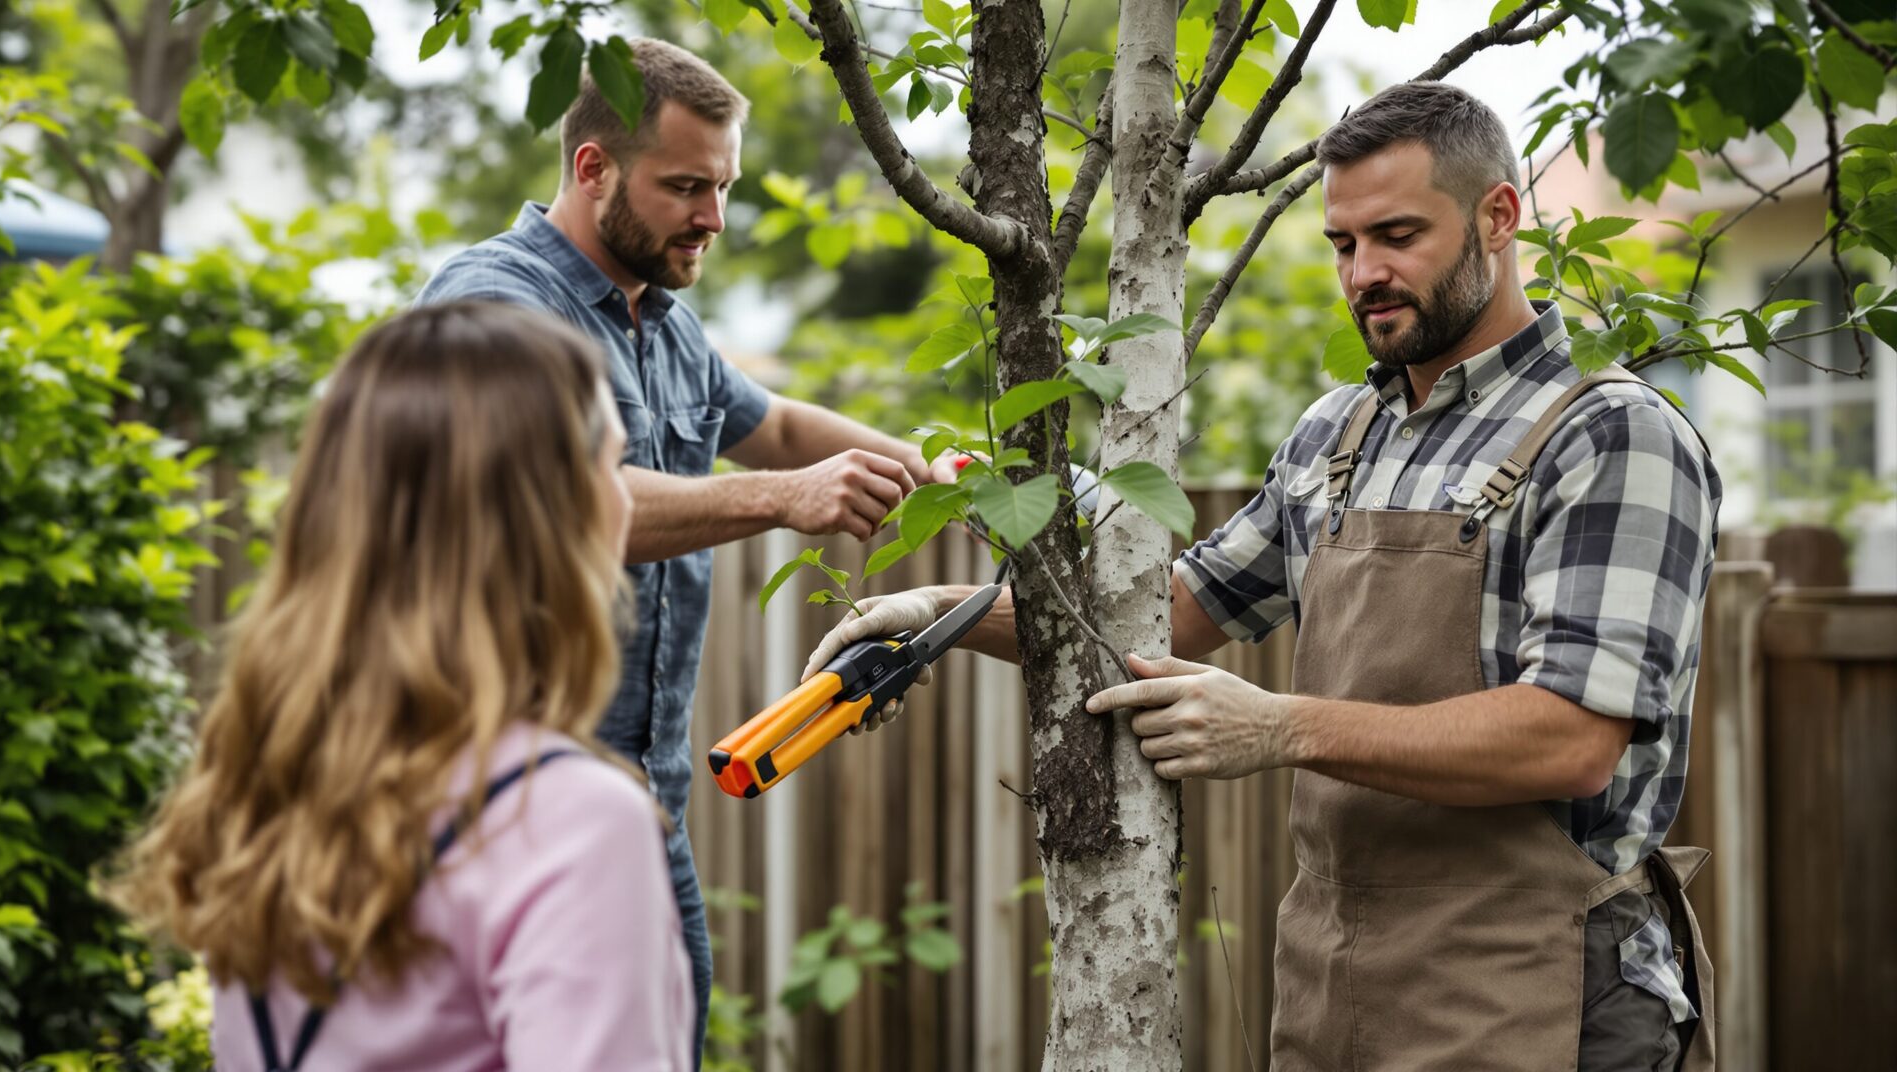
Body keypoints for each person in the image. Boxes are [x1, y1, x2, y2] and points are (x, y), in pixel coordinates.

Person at [805, 82, 1721, 1071]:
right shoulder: (1338, 433)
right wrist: (932, 615)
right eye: (1342, 243)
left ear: (1497, 218)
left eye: (1398, 235)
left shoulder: (1611, 435)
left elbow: (1572, 737)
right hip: (1338, 980)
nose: (1364, 271)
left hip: (1544, 987)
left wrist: (1281, 724)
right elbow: (1170, 615)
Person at [413, 39, 948, 1052]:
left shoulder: (664, 321)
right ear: (593, 169)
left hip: (643, 815)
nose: (714, 217)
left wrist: (945, 473)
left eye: (725, 187)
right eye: (688, 187)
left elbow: (779, 425)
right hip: (496, 822)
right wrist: (790, 499)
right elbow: (563, 502)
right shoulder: (494, 306)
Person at [113, 303, 691, 1070]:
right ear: (550, 515)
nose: (625, 498)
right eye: (611, 465)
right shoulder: (567, 821)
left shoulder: (273, 782)